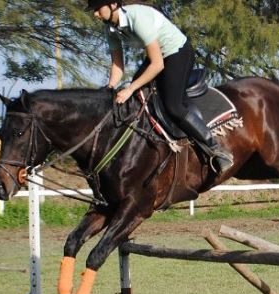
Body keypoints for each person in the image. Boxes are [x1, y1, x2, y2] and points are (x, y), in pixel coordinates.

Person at [86, 0, 234, 173]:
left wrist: (130, 88)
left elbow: (157, 65)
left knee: (173, 106)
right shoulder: (109, 28)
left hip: (177, 52)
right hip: (157, 57)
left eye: (97, 9)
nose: (95, 14)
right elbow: (117, 66)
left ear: (112, 4)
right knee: (136, 97)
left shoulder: (137, 17)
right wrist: (109, 87)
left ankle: (216, 150)